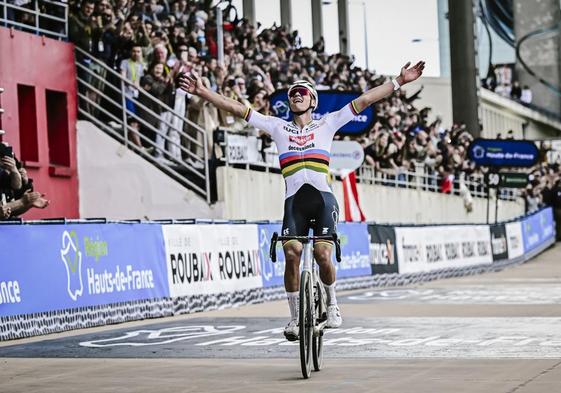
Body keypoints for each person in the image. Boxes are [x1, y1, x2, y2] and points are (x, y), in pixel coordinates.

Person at [179, 61, 425, 340]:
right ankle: (295, 319)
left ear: (312, 100)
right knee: (292, 253)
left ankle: (332, 303)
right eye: (292, 92)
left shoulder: (328, 123)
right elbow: (237, 109)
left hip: (323, 200)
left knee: (322, 254)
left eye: (302, 92)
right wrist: (203, 91)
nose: (296, 94)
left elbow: (365, 99)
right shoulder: (277, 127)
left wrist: (399, 81)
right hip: (294, 202)